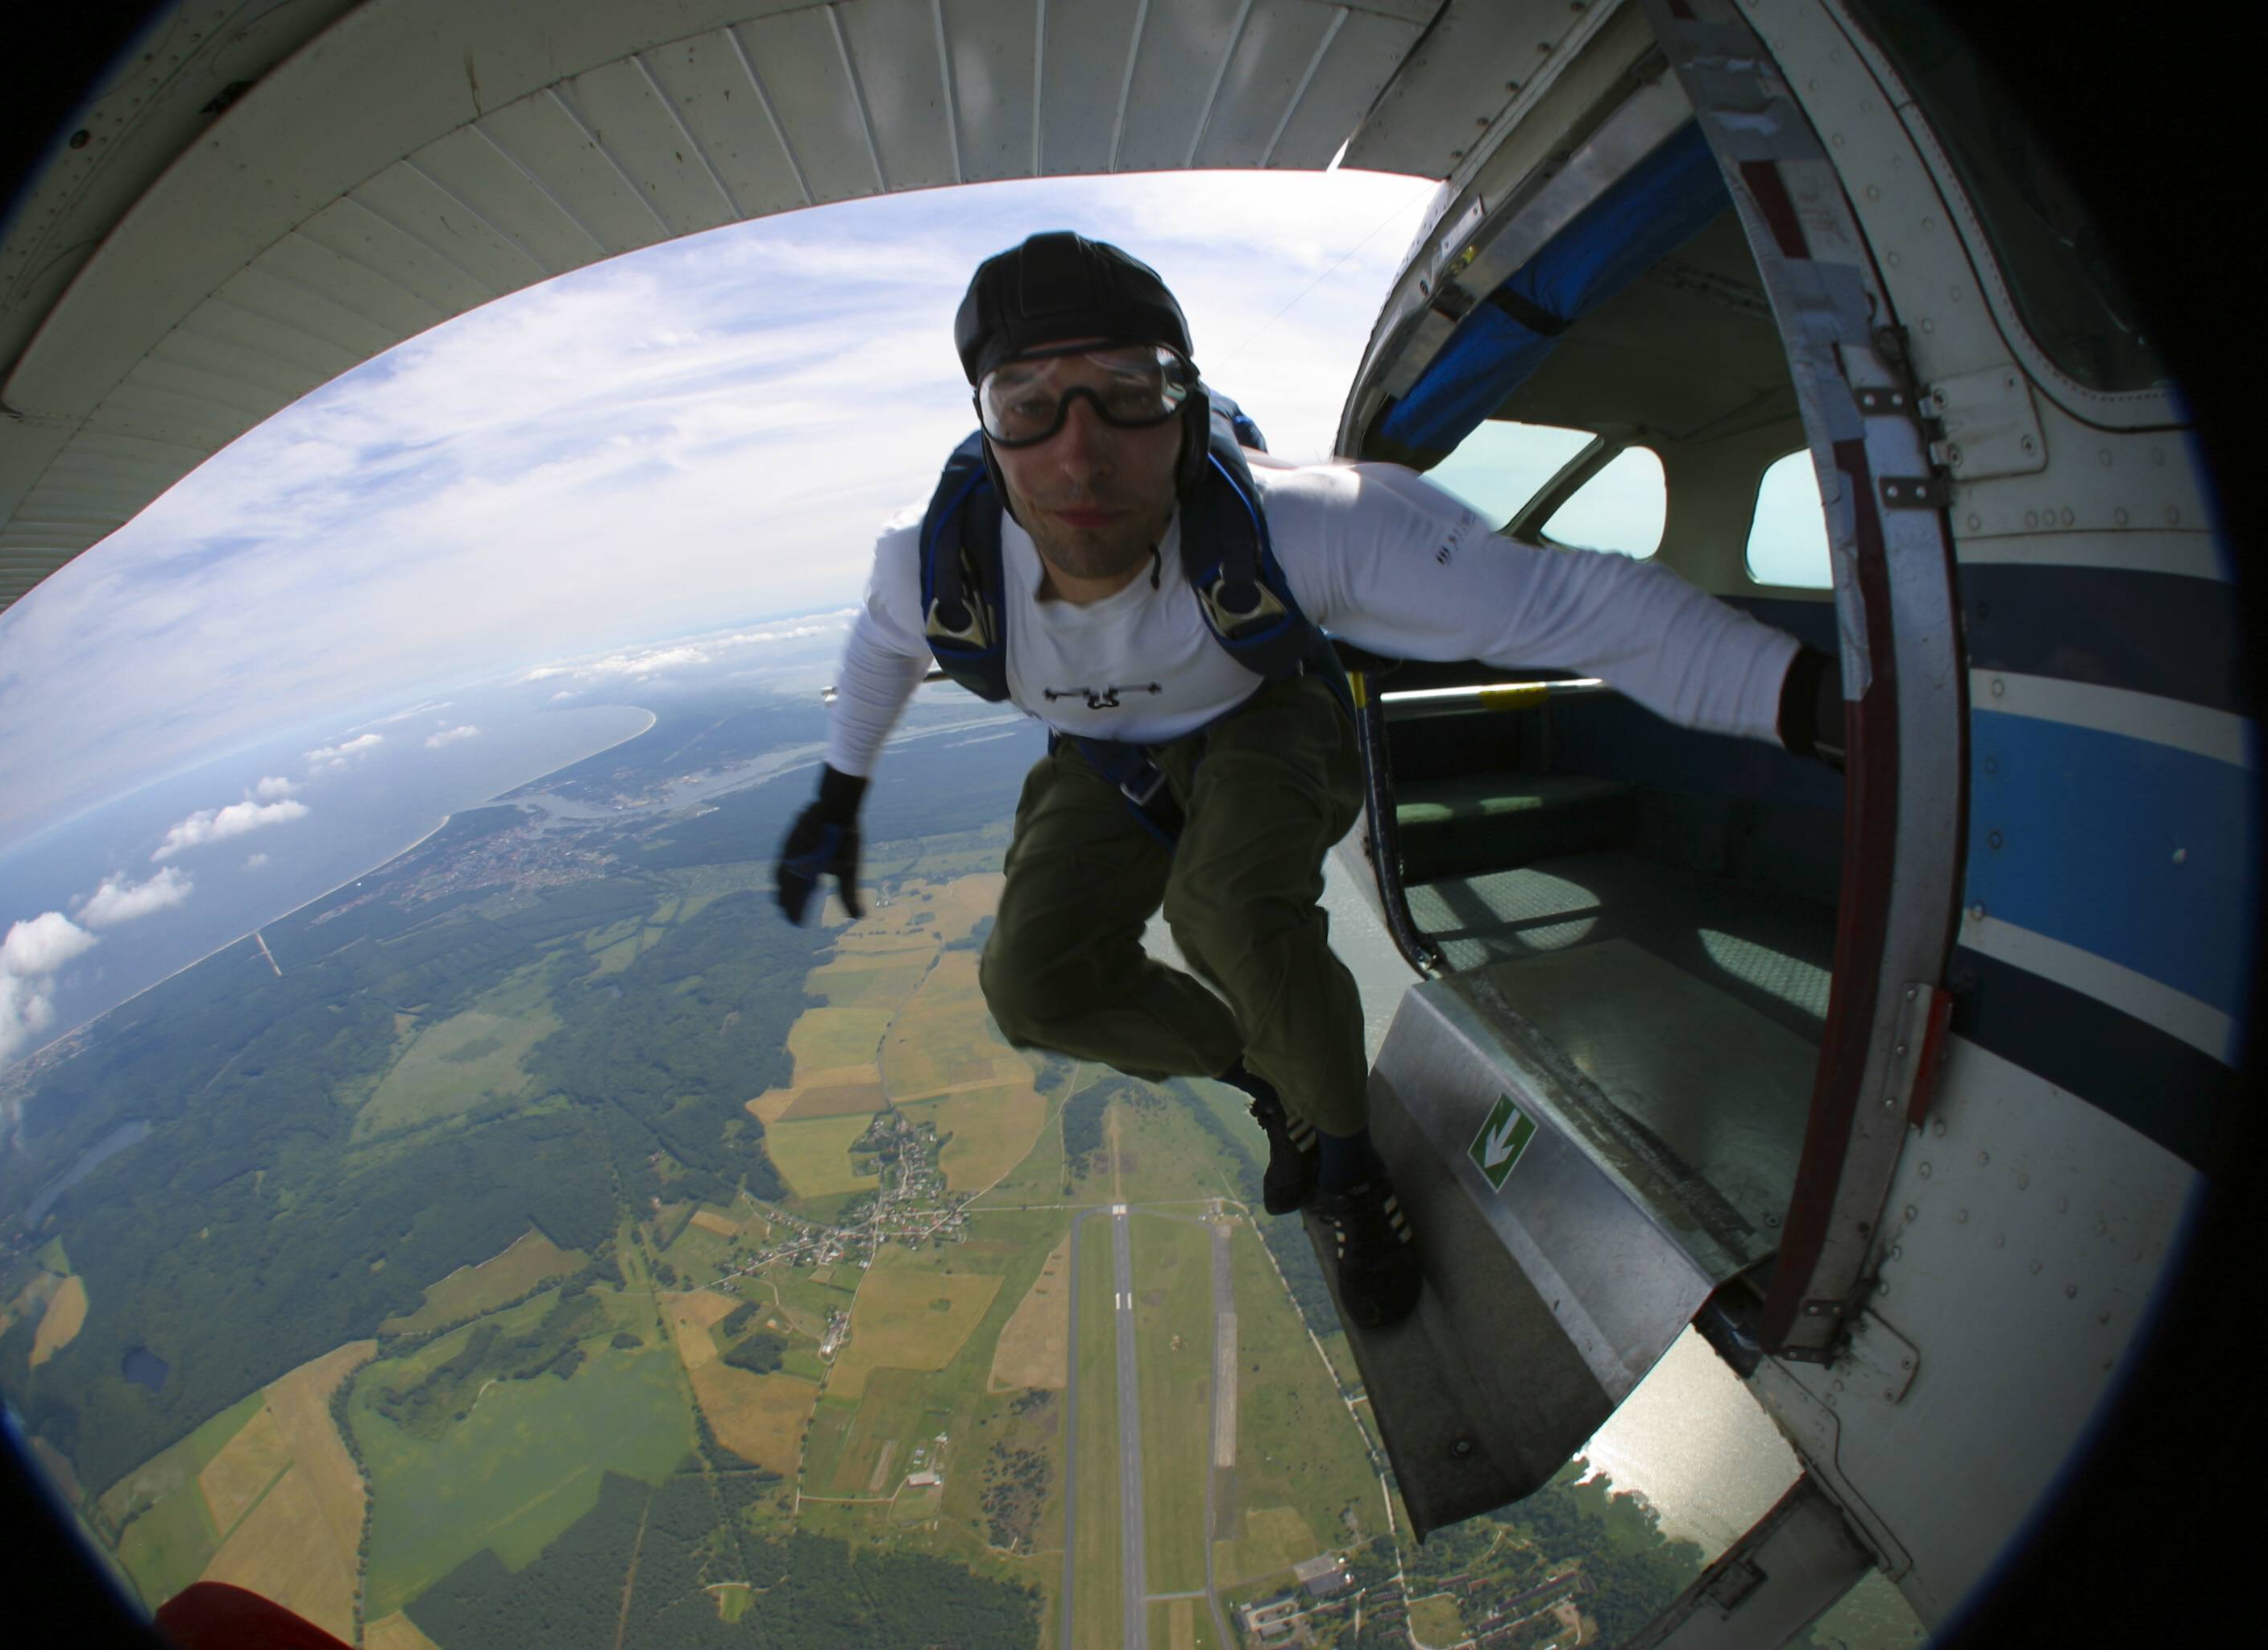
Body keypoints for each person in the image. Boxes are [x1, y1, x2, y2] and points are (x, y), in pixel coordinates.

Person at [775, 231, 1842, 1331]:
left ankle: (1346, 1166)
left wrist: (1820, 707)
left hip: (1265, 707)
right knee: (1032, 987)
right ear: (984, 427)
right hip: (1101, 752)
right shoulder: (931, 567)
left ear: (1185, 408)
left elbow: (1573, 607)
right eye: (1028, 403)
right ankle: (1273, 1086)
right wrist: (838, 795)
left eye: (1129, 394)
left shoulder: (1305, 528)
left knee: (1226, 907)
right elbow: (877, 653)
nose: (1080, 454)